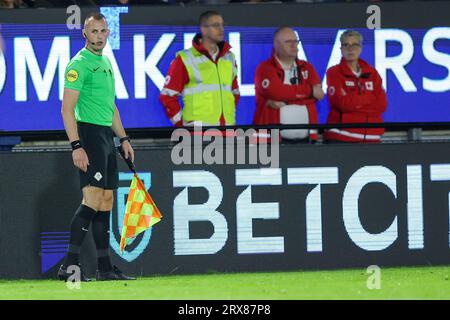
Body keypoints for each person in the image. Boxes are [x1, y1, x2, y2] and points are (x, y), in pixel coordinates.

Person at [59, 12, 135, 282]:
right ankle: (69, 267)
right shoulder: (78, 64)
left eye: (103, 32)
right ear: (85, 34)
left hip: (105, 137)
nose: (99, 37)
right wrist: (76, 146)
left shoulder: (105, 63)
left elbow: (110, 106)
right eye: (94, 32)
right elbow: (67, 110)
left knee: (106, 201)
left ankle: (104, 269)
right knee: (91, 200)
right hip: (89, 135)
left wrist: (123, 139)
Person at [159, 10, 240, 127]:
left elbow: (234, 93)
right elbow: (167, 96)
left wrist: (227, 117)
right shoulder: (186, 58)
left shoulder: (229, 58)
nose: (221, 29)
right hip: (198, 135)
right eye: (216, 25)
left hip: (227, 132)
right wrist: (181, 125)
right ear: (203, 29)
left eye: (223, 25)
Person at [253, 27, 324, 143]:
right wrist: (310, 91)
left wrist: (286, 102)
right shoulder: (265, 68)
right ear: (276, 44)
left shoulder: (307, 67)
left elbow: (319, 95)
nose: (294, 45)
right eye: (288, 42)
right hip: (272, 142)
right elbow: (277, 92)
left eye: (295, 41)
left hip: (307, 141)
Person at [324, 30, 387, 143]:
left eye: (354, 44)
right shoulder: (334, 72)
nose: (350, 48)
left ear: (360, 48)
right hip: (340, 137)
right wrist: (369, 97)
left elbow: (382, 105)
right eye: (346, 45)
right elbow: (342, 104)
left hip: (372, 138)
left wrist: (354, 101)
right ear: (341, 49)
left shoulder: (373, 73)